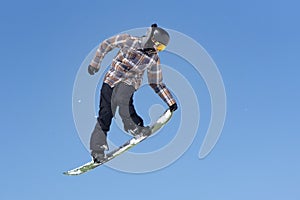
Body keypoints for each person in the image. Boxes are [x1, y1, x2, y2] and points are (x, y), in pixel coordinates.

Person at [88, 24, 178, 163]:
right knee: (106, 113)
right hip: (111, 79)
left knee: (123, 100)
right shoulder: (128, 40)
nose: (158, 50)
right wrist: (95, 64)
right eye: (159, 46)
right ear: (151, 39)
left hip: (130, 83)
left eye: (161, 49)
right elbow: (107, 44)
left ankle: (135, 127)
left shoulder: (153, 59)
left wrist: (170, 102)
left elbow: (156, 82)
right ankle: (97, 150)